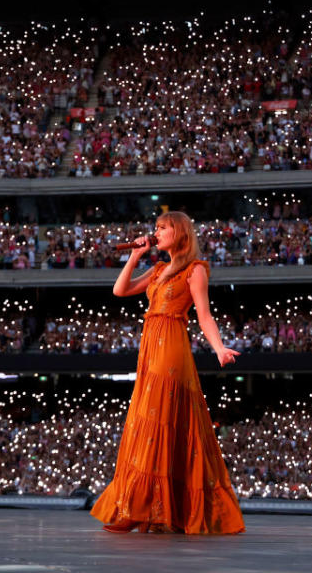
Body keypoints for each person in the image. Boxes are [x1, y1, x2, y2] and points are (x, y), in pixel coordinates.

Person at [90, 210, 246, 534]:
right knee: (150, 422)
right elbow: (120, 290)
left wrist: (218, 348)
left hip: (172, 344)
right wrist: (134, 257)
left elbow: (204, 315)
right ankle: (148, 507)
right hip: (151, 346)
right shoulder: (159, 268)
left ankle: (143, 508)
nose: (156, 233)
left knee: (157, 420)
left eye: (163, 228)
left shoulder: (196, 269)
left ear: (181, 233)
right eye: (156, 228)